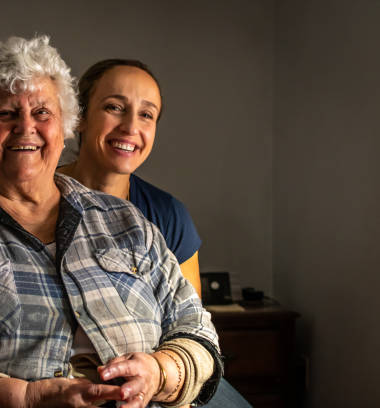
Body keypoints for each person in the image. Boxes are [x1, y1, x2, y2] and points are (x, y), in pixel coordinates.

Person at [0, 36, 222, 408]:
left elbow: (195, 326)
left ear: (66, 125)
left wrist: (160, 371)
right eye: (5, 114)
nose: (26, 128)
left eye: (42, 113)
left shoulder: (126, 221)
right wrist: (24, 397)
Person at [58, 59, 251, 407]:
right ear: (80, 117)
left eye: (147, 115)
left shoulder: (167, 214)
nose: (131, 126)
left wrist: (160, 374)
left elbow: (188, 322)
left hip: (160, 378)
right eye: (115, 107)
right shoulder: (38, 200)